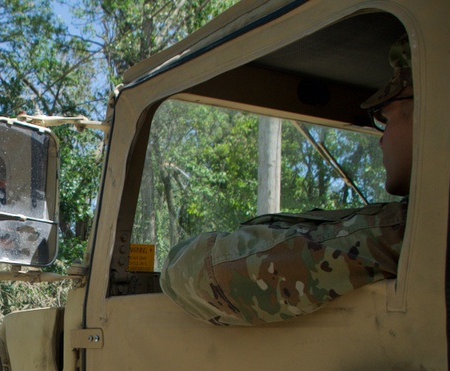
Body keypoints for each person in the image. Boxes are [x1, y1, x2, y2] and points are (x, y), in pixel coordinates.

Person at [159, 35, 412, 326]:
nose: (382, 140)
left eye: (388, 119)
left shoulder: (404, 234)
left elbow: (201, 272)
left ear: (427, 108)